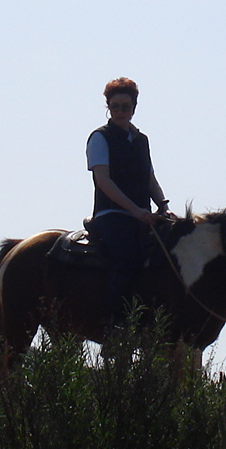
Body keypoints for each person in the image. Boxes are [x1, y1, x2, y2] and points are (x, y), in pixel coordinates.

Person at [86, 77, 171, 326]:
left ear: (134, 108)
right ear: (108, 108)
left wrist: (163, 206)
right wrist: (136, 210)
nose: (120, 111)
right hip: (111, 215)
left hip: (142, 215)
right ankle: (115, 324)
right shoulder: (100, 138)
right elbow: (104, 181)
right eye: (115, 107)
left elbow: (149, 179)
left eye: (125, 107)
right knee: (126, 258)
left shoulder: (141, 140)